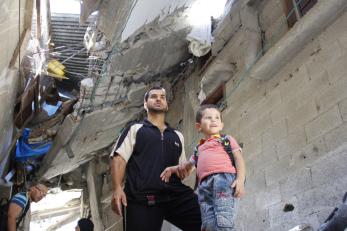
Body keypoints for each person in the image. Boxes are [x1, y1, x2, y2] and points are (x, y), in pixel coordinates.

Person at [110, 86, 201, 231]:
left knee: (209, 220)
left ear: (166, 104)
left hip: (174, 194)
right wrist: (116, 189)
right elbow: (119, 158)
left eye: (162, 97)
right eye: (153, 96)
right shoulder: (135, 129)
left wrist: (187, 168)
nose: (158, 99)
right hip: (141, 198)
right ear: (145, 104)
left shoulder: (177, 135)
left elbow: (181, 170)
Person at [161, 104, 246, 231]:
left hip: (224, 181)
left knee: (223, 221)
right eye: (208, 117)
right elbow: (187, 167)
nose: (213, 120)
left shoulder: (226, 140)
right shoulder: (198, 149)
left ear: (221, 125)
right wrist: (173, 169)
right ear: (198, 126)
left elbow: (239, 160)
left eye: (217, 118)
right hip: (204, 187)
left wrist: (240, 180)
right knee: (207, 224)